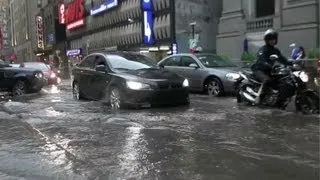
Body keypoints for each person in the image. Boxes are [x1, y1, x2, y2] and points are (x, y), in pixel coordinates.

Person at [251, 29, 292, 103]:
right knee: (267, 80)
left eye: (273, 39)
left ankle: (278, 98)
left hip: (269, 70)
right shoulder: (263, 50)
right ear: (267, 40)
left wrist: (293, 64)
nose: (272, 41)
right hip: (259, 70)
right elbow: (261, 60)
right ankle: (259, 98)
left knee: (282, 80)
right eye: (270, 39)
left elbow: (282, 59)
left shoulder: (275, 50)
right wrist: (268, 65)